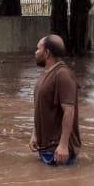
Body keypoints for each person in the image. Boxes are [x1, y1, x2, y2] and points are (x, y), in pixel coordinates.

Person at [30, 34, 81, 166]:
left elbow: (69, 110)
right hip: (45, 149)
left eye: (38, 49)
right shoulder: (46, 74)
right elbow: (40, 107)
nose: (35, 53)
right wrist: (35, 134)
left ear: (47, 53)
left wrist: (63, 145)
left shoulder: (63, 75)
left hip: (59, 153)